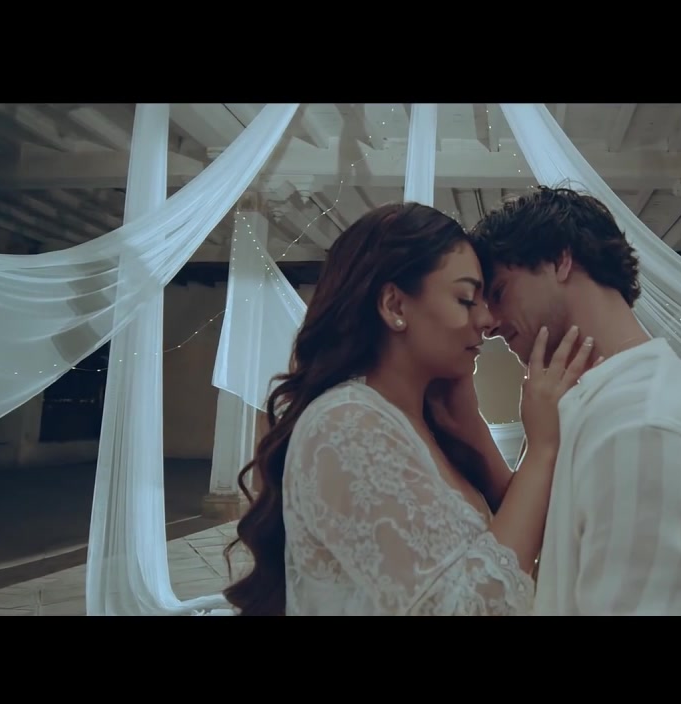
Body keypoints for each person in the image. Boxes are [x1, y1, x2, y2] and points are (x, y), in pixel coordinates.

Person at [222, 201, 595, 616]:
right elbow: (462, 609)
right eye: (466, 299)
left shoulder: (418, 424)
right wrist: (542, 447)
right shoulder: (346, 424)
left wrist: (476, 435)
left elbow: (511, 542)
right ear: (395, 306)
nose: (488, 320)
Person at [468, 185, 681, 615]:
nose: (489, 323)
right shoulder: (612, 406)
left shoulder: (644, 425)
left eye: (498, 292)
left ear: (560, 260)